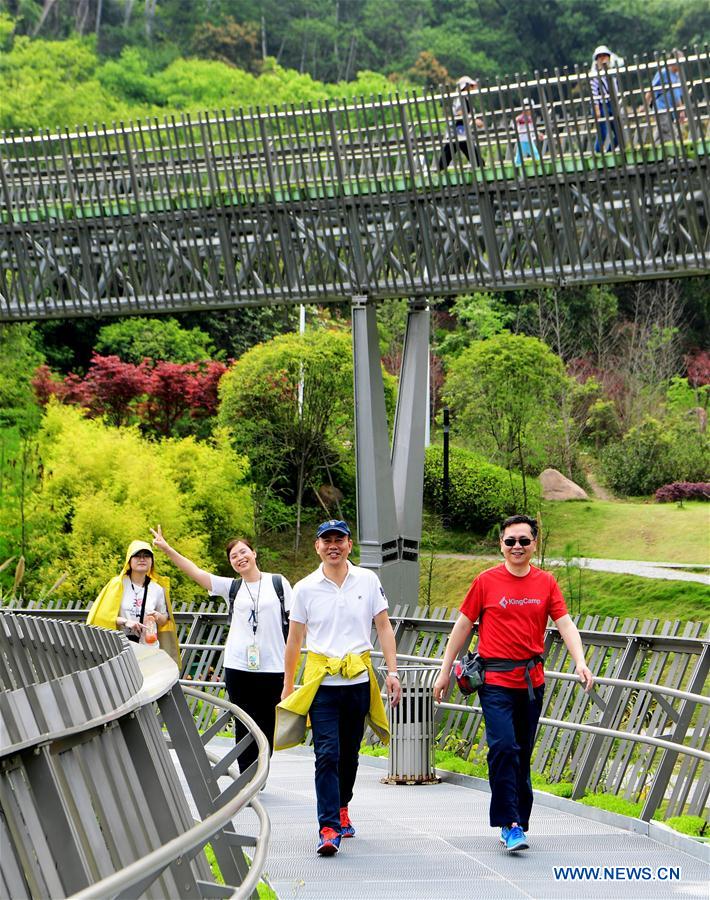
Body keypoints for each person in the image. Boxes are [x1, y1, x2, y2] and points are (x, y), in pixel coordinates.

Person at [433, 514, 594, 853]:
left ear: (534, 544)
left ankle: (519, 818)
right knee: (503, 747)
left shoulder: (546, 582)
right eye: (510, 541)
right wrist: (444, 670)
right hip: (495, 681)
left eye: (524, 540)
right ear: (501, 544)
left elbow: (565, 624)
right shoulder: (486, 581)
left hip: (532, 682)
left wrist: (580, 661)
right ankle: (509, 823)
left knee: (520, 752)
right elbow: (462, 627)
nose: (517, 547)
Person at [276, 519, 401, 856]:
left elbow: (384, 627)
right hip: (323, 685)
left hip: (359, 680)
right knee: (326, 755)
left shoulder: (368, 580)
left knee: (349, 755)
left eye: (340, 540)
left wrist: (393, 671)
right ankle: (328, 826)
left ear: (349, 544)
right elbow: (295, 639)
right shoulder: (304, 588)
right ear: (317, 546)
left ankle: (342, 806)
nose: (333, 545)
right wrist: (289, 684)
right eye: (326, 540)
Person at [150, 525, 292, 774]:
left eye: (243, 552)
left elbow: (296, 623)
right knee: (242, 720)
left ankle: (261, 771)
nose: (240, 558)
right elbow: (195, 572)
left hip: (273, 665)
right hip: (238, 665)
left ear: (254, 553)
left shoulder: (278, 584)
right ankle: (247, 775)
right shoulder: (232, 587)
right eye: (234, 556)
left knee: (267, 722)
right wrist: (167, 548)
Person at [86, 539, 180, 665]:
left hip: (149, 648)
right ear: (129, 561)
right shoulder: (117, 584)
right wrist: (126, 622)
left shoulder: (157, 588)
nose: (142, 559)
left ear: (152, 561)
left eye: (146, 556)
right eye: (137, 555)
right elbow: (101, 616)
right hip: (121, 648)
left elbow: (164, 620)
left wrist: (157, 616)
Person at [437, 75, 485, 170]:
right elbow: (459, 113)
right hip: (459, 132)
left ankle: (439, 173)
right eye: (471, 86)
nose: (473, 88)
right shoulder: (461, 99)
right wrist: (474, 120)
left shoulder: (463, 98)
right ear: (465, 87)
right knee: (474, 156)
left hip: (460, 132)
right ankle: (481, 170)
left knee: (447, 156)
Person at [643, 52, 686, 145]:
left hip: (671, 109)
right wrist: (645, 105)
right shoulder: (663, 72)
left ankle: (657, 152)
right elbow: (651, 89)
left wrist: (681, 111)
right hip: (661, 107)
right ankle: (671, 153)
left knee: (661, 131)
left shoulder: (677, 76)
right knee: (667, 130)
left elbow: (677, 94)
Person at [589, 45, 621, 152]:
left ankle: (609, 152)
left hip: (611, 103)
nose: (603, 59)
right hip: (600, 105)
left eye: (605, 56)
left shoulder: (612, 71)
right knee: (602, 133)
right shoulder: (594, 74)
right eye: (600, 57)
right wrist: (596, 108)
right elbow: (593, 92)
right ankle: (598, 155)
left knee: (618, 133)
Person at [514, 100, 543, 165]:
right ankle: (517, 170)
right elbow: (515, 125)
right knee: (519, 158)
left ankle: (539, 167)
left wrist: (538, 134)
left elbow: (532, 128)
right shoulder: (519, 118)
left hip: (529, 140)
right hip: (522, 141)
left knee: (536, 155)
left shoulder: (529, 118)